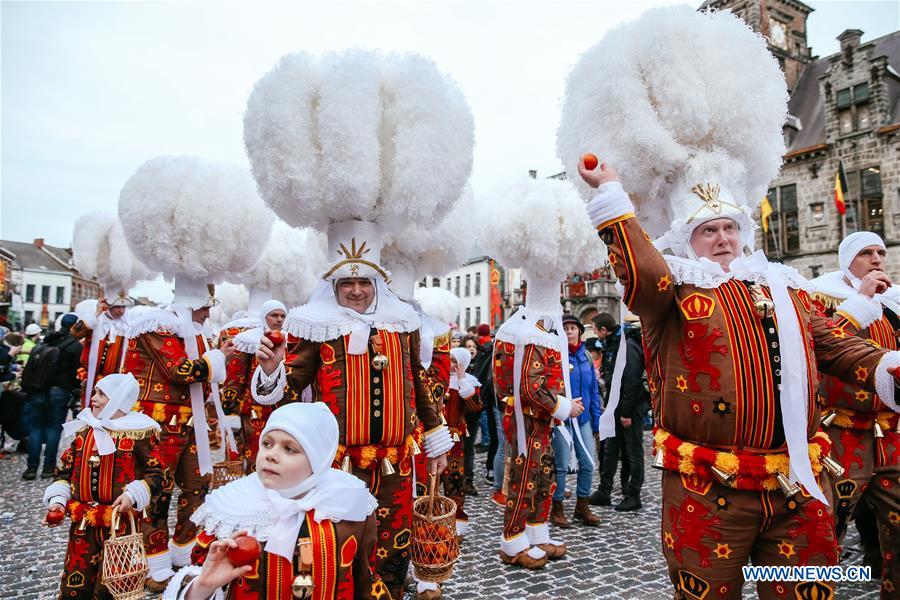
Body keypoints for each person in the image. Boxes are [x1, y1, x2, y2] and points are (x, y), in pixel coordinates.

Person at [252, 220, 451, 599]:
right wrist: (271, 370)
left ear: (376, 283)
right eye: (347, 283)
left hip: (395, 461)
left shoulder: (402, 323)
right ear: (334, 287)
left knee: (395, 546)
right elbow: (290, 390)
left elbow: (419, 383)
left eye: (364, 282)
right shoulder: (314, 326)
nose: (356, 290)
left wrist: (437, 443)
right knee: (347, 550)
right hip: (340, 465)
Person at [166, 403, 388, 600]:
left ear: (317, 459)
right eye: (267, 443)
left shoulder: (349, 503)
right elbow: (201, 570)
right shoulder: (232, 508)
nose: (271, 455)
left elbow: (364, 580)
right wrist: (201, 587)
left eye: (289, 449)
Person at [122, 279, 233, 590]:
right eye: (205, 308)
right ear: (191, 303)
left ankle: (184, 551)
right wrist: (217, 358)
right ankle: (154, 563)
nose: (208, 315)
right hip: (159, 427)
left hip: (190, 425)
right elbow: (181, 371)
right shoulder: (157, 326)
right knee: (157, 494)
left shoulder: (193, 332)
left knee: (198, 486)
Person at [812, 231, 900, 595]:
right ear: (847, 261)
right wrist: (861, 300)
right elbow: (822, 347)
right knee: (826, 528)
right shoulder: (820, 299)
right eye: (866, 253)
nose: (877, 258)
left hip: (892, 434)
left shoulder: (894, 304)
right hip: (841, 434)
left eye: (880, 251)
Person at [41, 373, 169, 600]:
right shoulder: (84, 430)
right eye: (95, 393)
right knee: (75, 582)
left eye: (102, 394)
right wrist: (58, 501)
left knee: (112, 585)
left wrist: (133, 493)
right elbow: (64, 471)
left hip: (119, 523)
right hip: (83, 522)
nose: (93, 399)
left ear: (120, 399)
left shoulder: (139, 432)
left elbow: (158, 473)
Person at [219, 299, 288, 472]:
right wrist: (230, 413)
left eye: (282, 316)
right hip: (254, 412)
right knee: (256, 456)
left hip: (282, 409)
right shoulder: (247, 341)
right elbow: (234, 379)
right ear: (264, 317)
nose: (279, 319)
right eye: (274, 315)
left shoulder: (292, 341)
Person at [591, 312, 649, 512]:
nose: (595, 333)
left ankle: (633, 494)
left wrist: (626, 412)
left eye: (595, 329)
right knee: (610, 448)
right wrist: (609, 405)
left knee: (633, 451)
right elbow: (612, 379)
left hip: (630, 407)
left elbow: (631, 380)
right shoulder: (613, 344)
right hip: (616, 405)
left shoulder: (627, 346)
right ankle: (604, 491)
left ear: (604, 330)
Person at [550, 314, 601, 527]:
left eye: (573, 328)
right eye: (566, 328)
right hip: (562, 420)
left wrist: (596, 422)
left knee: (588, 463)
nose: (570, 331)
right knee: (561, 465)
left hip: (584, 419)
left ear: (580, 331)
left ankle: (582, 505)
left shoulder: (586, 357)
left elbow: (593, 390)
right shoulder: (555, 356)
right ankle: (558, 506)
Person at [22, 313, 82, 480]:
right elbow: (77, 372)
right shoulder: (75, 346)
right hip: (59, 391)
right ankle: (48, 468)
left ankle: (31, 468)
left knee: (36, 428)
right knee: (54, 429)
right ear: (74, 326)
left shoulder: (46, 341)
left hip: (38, 389)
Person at [444, 347, 482, 541]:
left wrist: (462, 381)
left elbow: (476, 406)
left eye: (455, 361)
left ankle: (456, 523)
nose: (451, 365)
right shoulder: (437, 379)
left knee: (455, 481)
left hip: (454, 439)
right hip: (433, 437)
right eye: (448, 359)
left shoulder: (468, 383)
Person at [71, 295, 132, 410]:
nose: (121, 310)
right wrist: (97, 313)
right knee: (91, 412)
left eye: (124, 306)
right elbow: (76, 333)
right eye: (117, 306)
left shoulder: (127, 325)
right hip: (93, 381)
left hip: (116, 382)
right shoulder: (96, 321)